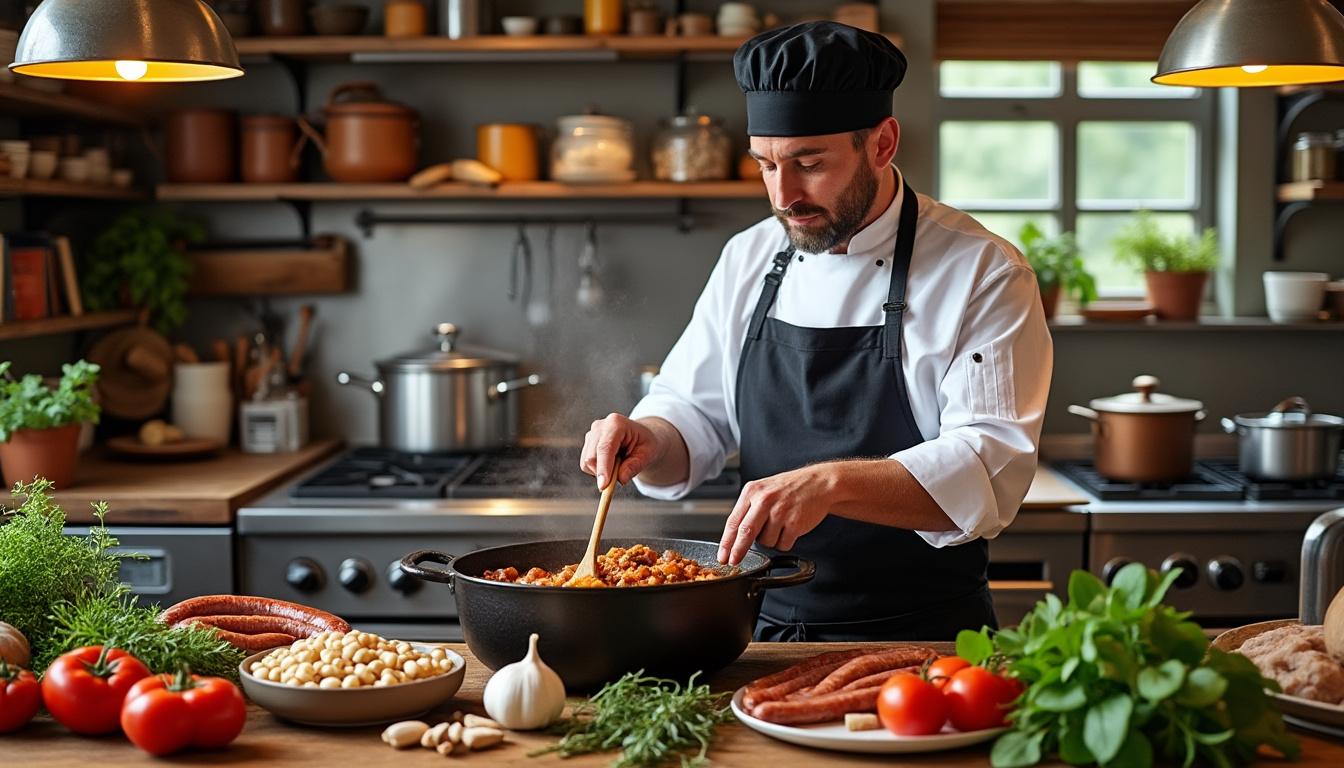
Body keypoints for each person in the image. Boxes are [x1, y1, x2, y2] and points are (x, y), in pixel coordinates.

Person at [579, 21, 1053, 641]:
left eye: (809, 164)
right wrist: (648, 437)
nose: (784, 195)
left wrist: (830, 484)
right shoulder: (749, 257)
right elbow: (693, 411)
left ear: (882, 143)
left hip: (924, 641)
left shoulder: (982, 271)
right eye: (766, 165)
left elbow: (988, 465)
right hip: (760, 630)